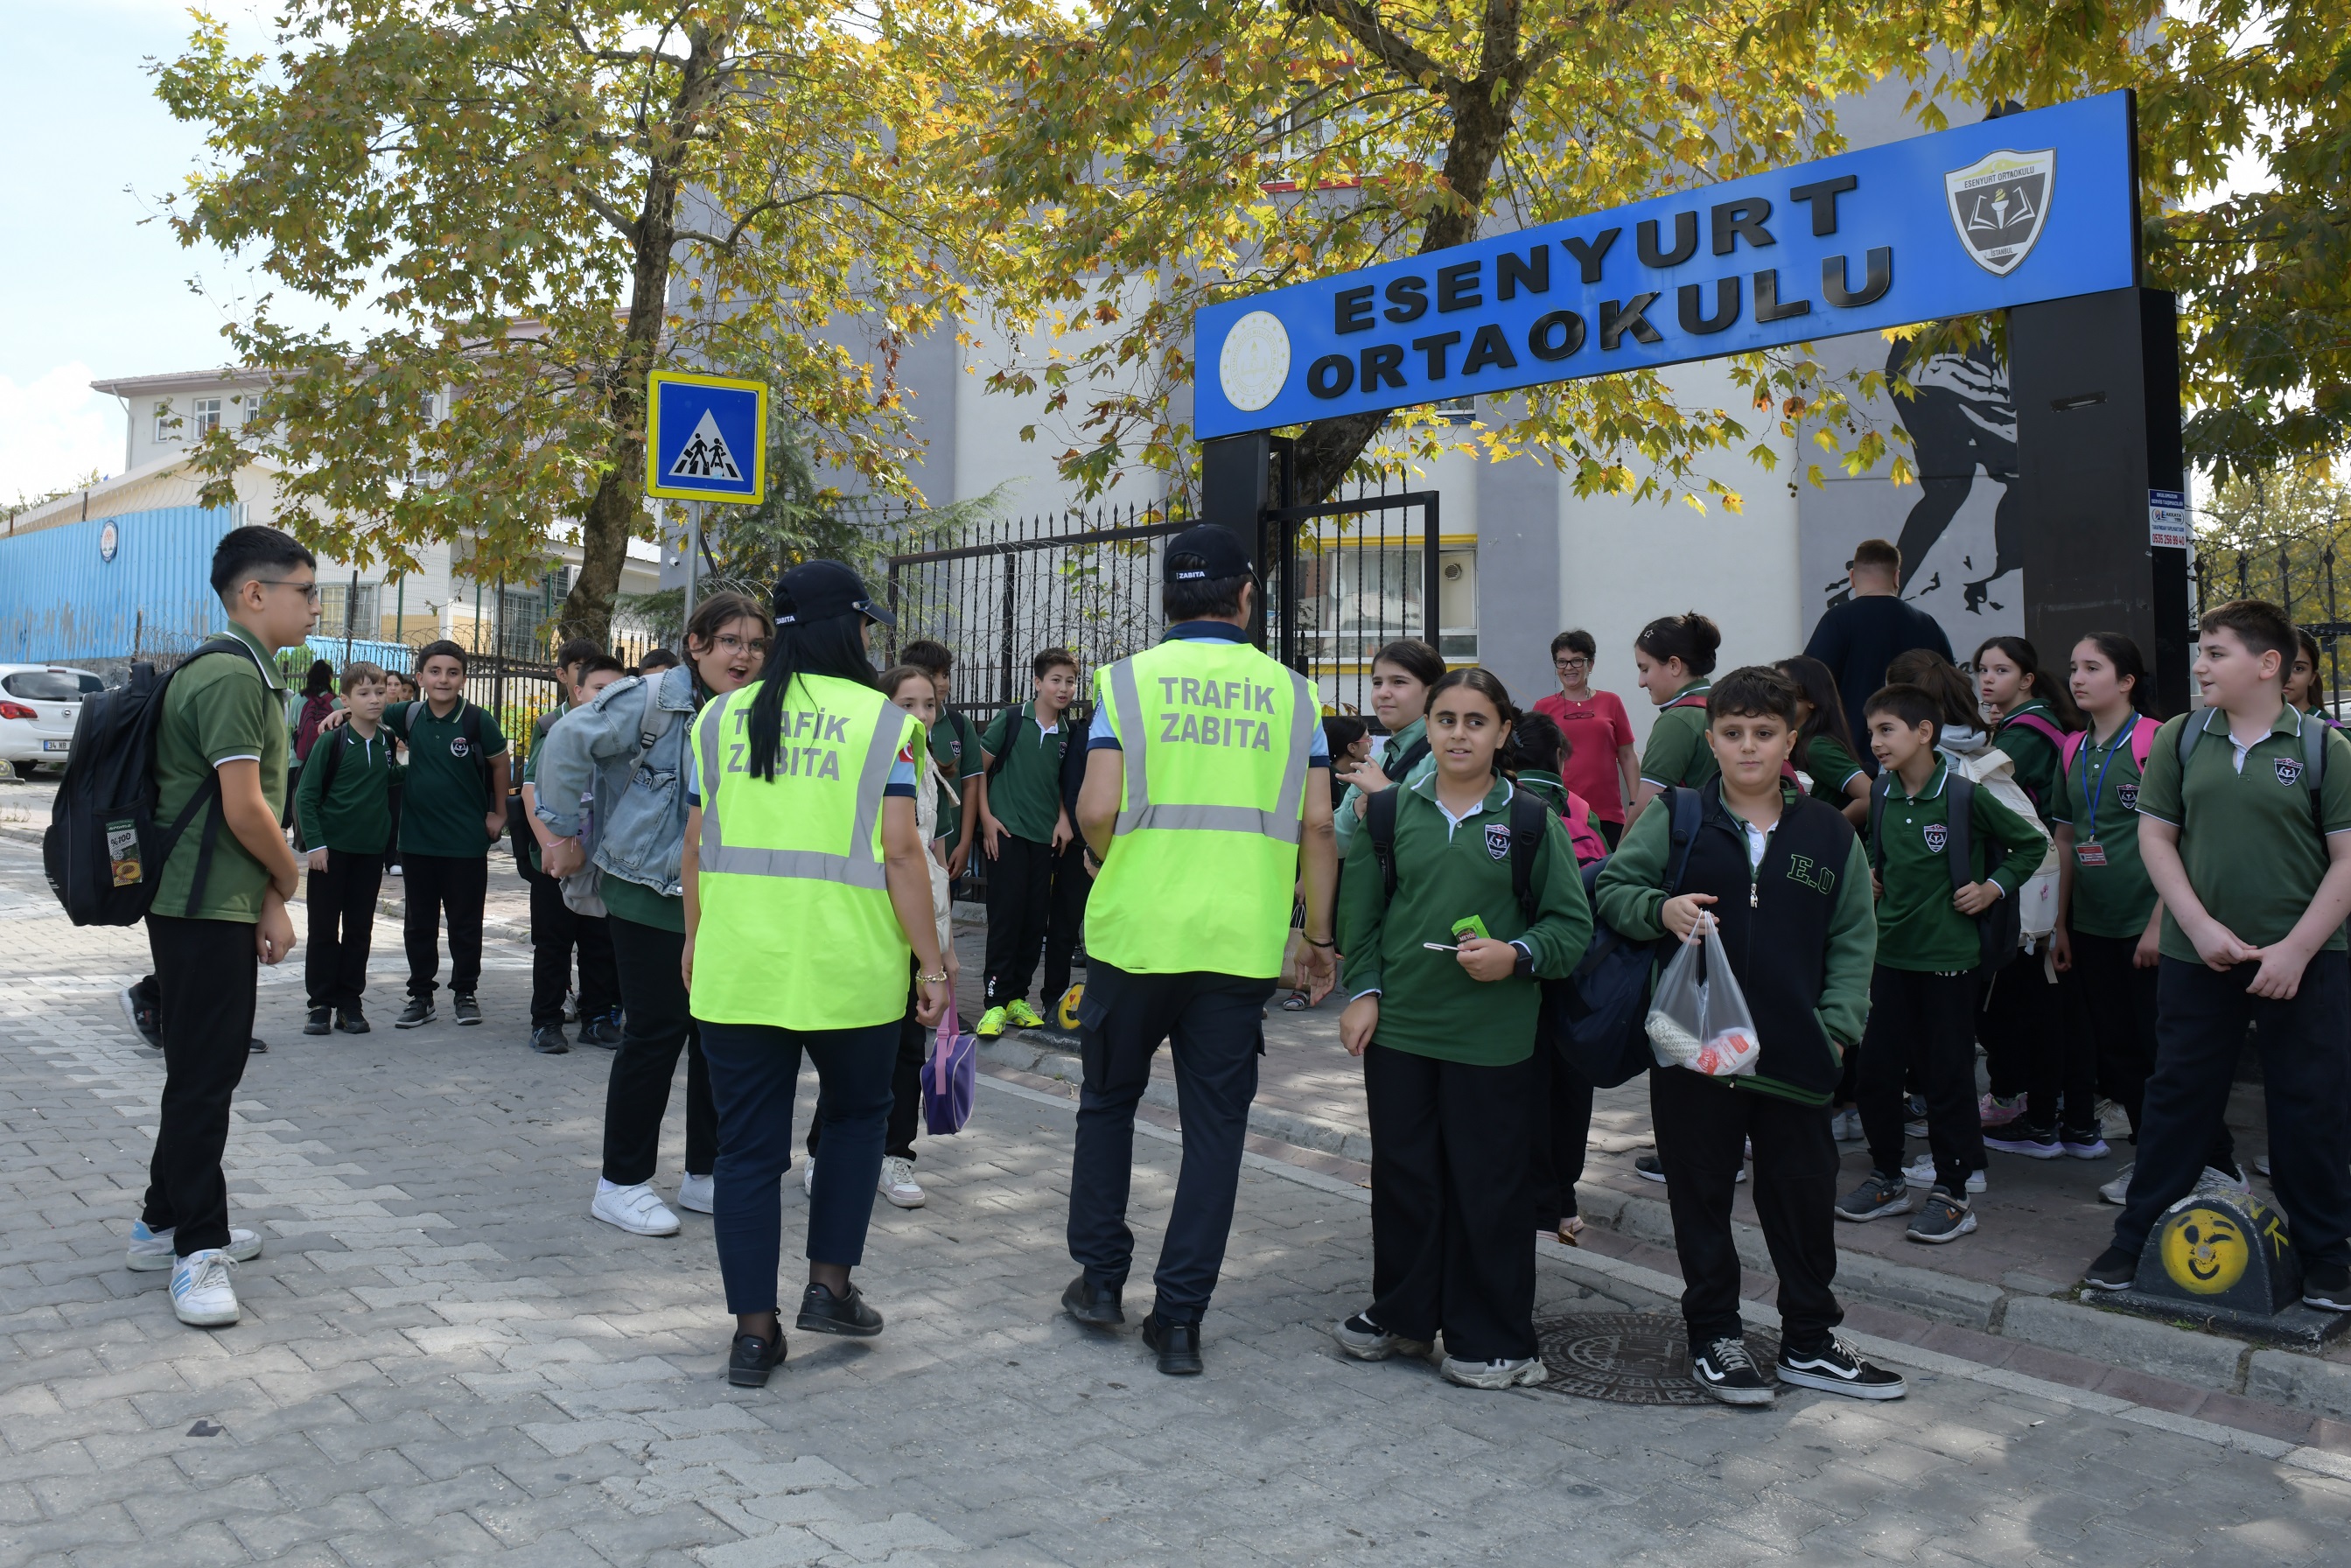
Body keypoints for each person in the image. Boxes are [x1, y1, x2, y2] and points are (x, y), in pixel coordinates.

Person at [1063, 523, 1338, 1376]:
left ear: (1167, 599)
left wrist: (1110, 858)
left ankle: (1100, 1282)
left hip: (1134, 938)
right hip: (1237, 947)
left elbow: (1097, 807)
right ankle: (1178, 1319)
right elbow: (1319, 825)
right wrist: (1315, 936)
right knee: (1214, 1133)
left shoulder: (1125, 682)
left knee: (1108, 1104)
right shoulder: (1294, 695)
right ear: (1247, 596)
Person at [1596, 667, 1902, 1404]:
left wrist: (1834, 1031)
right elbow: (1611, 889)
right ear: (1711, 740)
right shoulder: (1678, 816)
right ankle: (1715, 1336)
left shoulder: (1828, 831)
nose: (1748, 748)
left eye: (1763, 734)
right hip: (1693, 1051)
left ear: (1789, 740)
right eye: (1732, 734)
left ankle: (1808, 1340)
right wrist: (1660, 910)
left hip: (1797, 1054)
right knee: (1699, 1195)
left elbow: (1853, 939)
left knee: (1800, 1198)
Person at [682, 562, 951, 1388]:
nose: (871, 639)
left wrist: (694, 940)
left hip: (740, 966)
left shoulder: (720, 719)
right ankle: (829, 1287)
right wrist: (933, 964)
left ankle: (753, 1337)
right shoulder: (881, 725)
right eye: (865, 626)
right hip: (850, 970)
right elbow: (903, 852)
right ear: (846, 629)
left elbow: (695, 845)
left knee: (746, 1153)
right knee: (855, 1124)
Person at [2083, 600, 2351, 1310]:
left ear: (2267, 665)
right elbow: (2156, 839)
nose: (2198, 664)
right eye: (2199, 650)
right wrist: (2195, 927)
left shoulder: (2324, 748)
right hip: (2197, 955)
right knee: (2177, 1098)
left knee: (2309, 1104)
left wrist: (2294, 951)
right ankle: (2135, 1236)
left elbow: (2347, 860)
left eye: (2215, 652)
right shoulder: (2178, 737)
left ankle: (2326, 1252)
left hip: (2307, 960)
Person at [1333, 668, 1592, 1390]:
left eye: (1475, 721)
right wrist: (1365, 991)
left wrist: (1517, 954)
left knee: (1490, 1187)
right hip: (1401, 1033)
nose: (1457, 734)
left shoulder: (1532, 821)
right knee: (1406, 1178)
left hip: (1494, 1040)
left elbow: (1570, 928)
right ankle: (1404, 1315)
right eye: (1445, 719)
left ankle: (1495, 1336)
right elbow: (1363, 920)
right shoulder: (1390, 814)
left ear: (1503, 732)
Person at [129, 525, 317, 1327]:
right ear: (254, 594)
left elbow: (239, 810)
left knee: (204, 1073)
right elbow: (245, 808)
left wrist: (267, 898)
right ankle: (195, 1250)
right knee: (204, 1080)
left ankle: (158, 1223)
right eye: (304, 591)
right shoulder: (233, 677)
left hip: (212, 901)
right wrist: (290, 874)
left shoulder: (244, 670)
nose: (313, 606)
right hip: (197, 905)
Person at [538, 594, 763, 1236]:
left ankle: (704, 1173)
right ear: (696, 644)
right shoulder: (650, 698)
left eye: (753, 645)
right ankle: (621, 1182)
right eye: (729, 641)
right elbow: (566, 740)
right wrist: (560, 833)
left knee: (717, 1037)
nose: (742, 655)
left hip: (718, 894)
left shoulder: (749, 706)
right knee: (656, 1032)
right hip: (646, 887)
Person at [1837, 683, 2045, 1243]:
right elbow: (1879, 852)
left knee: (1947, 1076)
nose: (1875, 742)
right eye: (1872, 730)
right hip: (1890, 957)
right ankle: (1887, 1177)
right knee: (1876, 1073)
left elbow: (2031, 845)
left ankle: (1953, 1191)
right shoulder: (1881, 794)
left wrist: (1993, 888)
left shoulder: (1962, 796)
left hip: (1950, 960)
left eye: (1887, 730)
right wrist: (1874, 874)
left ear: (1924, 732)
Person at [2051, 634, 2236, 1208]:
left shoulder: (2158, 741)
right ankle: (2153, 1158)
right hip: (2092, 927)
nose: (2077, 678)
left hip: (2152, 927)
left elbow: (2184, 836)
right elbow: (2064, 839)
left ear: (2126, 680)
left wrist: (2159, 921)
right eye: (2073, 667)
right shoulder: (2070, 748)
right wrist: (2059, 924)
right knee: (2119, 1052)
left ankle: (2218, 1166)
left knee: (2168, 1055)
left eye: (2091, 668)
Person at [803, 663, 960, 1211]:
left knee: (907, 1048)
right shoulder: (868, 759)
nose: (920, 715)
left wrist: (944, 947)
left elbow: (933, 861)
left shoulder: (929, 769)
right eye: (908, 704)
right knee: (854, 1047)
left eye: (929, 704)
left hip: (921, 926)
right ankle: (824, 1152)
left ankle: (896, 1155)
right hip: (871, 921)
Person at [325, 640, 511, 1028]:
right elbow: (367, 710)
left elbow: (499, 765)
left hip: (466, 841)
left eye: (453, 672)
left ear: (463, 676)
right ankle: (421, 996)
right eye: (435, 671)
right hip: (416, 840)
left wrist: (498, 813)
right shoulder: (405, 714)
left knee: (465, 921)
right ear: (421, 676)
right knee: (419, 922)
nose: (443, 679)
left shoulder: (478, 720)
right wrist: (341, 714)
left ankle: (465, 992)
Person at [1969, 635, 2089, 1158]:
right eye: (1981, 670)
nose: (1988, 679)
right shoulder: (2019, 725)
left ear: (2027, 679)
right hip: (2037, 876)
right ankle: (2044, 1108)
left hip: (2031, 878)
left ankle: (2028, 1107)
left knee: (2025, 1000)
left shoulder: (2027, 732)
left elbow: (1980, 784)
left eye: (2000, 670)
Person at [519, 653, 626, 1054]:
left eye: (618, 690)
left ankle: (598, 1018)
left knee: (602, 942)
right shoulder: (556, 731)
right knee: (554, 943)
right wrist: (552, 845)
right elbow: (531, 792)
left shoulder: (626, 736)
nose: (608, 697)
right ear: (578, 690)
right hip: (558, 859)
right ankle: (546, 1022)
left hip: (606, 859)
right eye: (600, 688)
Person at [974, 648, 1081, 1037]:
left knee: (1035, 923)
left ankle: (1018, 998)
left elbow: (1060, 786)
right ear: (1037, 682)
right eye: (1056, 680)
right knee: (1006, 919)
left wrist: (1065, 820)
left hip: (1044, 839)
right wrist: (986, 819)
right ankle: (994, 1002)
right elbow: (978, 772)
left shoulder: (1068, 733)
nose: (1064, 688)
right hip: (1006, 834)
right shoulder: (1010, 720)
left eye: (1070, 681)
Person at [295, 660, 395, 1036]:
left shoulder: (386, 740)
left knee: (359, 930)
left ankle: (350, 1002)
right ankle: (319, 1003)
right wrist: (316, 845)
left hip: (369, 853)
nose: (374, 700)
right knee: (323, 929)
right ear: (345, 700)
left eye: (380, 692)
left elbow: (392, 779)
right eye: (364, 693)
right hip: (330, 854)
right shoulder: (332, 740)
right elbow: (306, 795)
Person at [1802, 538, 1954, 764]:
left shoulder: (1838, 620)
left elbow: (1808, 683)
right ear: (1896, 577)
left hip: (1849, 761)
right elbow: (1950, 687)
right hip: (1916, 759)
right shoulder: (1927, 624)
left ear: (1852, 577)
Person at [1333, 639, 1446, 855]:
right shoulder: (1378, 762)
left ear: (1432, 693)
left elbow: (1445, 834)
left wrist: (1385, 795)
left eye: (1398, 682)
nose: (1383, 692)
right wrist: (1357, 809)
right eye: (1377, 683)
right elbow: (1335, 843)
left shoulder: (1444, 756)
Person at [1532, 629, 1641, 847]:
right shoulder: (1542, 707)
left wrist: (1636, 804)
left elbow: (1627, 756)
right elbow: (1535, 761)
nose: (1569, 668)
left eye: (1576, 661)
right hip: (1559, 810)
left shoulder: (1612, 702)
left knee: (1606, 873)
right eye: (1562, 662)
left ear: (1590, 664)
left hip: (1608, 813)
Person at [901, 639, 990, 886]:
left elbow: (971, 785)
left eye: (946, 674)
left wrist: (964, 843)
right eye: (934, 674)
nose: (943, 682)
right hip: (902, 852)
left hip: (946, 850)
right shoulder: (891, 723)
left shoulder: (960, 725)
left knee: (941, 913)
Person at [1630, 612, 1725, 817]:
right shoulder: (1723, 707)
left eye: (1645, 669)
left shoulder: (1678, 720)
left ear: (1674, 665)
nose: (1641, 682)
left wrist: (1621, 849)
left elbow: (1645, 810)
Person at [1775, 654, 1871, 826]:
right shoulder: (1796, 740)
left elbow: (1869, 796)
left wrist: (1826, 831)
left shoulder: (1818, 747)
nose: (1774, 694)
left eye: (1783, 687)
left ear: (1811, 700)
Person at [2287, 629, 2335, 724]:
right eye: (2278, 666)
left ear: (2312, 677)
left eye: (2298, 668)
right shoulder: (2253, 727)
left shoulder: (2332, 732)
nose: (2287, 678)